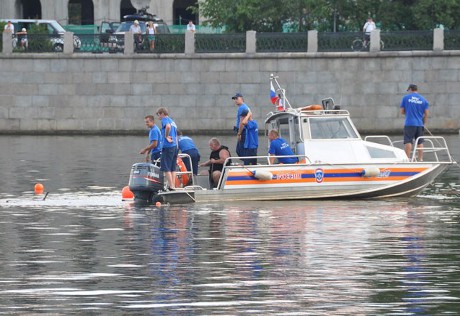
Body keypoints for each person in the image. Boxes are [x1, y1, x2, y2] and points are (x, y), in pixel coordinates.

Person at [400, 83, 429, 161]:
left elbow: (402, 111)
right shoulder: (423, 99)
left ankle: (407, 159)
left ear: (410, 89)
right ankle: (420, 159)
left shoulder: (405, 98)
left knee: (408, 141)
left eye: (408, 90)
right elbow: (426, 114)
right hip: (420, 124)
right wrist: (424, 123)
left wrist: (409, 112)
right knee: (420, 142)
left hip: (409, 124)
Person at [157, 107, 179, 190]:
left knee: (166, 167)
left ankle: (171, 186)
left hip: (168, 146)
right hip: (175, 146)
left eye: (158, 115)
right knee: (173, 167)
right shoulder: (172, 121)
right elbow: (176, 134)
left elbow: (168, 127)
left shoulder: (165, 119)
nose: (158, 117)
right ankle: (173, 185)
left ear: (162, 113)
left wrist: (166, 136)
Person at [232, 92, 251, 158]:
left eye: (237, 98)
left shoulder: (242, 108)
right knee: (241, 150)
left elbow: (242, 122)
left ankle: (247, 163)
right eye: (234, 99)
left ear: (241, 98)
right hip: (243, 131)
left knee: (240, 150)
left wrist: (239, 133)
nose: (235, 100)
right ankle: (247, 162)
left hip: (243, 131)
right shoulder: (244, 107)